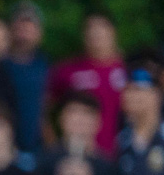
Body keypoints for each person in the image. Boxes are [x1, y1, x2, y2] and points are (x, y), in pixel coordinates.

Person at [47, 12, 128, 157]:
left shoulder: (127, 71)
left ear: (113, 32)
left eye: (101, 27)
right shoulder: (67, 71)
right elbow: (46, 111)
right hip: (77, 157)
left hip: (120, 157)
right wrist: (53, 147)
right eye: (90, 28)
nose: (95, 33)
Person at [4, 1, 50, 154]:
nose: (24, 30)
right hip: (3, 148)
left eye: (30, 25)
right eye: (20, 24)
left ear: (39, 32)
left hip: (37, 148)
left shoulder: (46, 66)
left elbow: (48, 108)